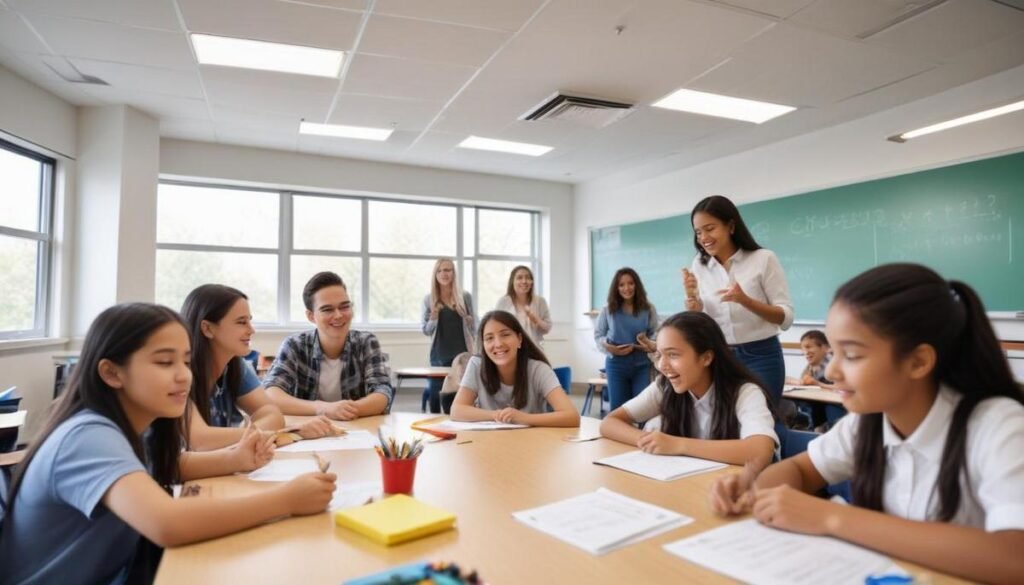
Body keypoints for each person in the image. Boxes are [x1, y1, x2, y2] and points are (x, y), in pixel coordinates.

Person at [709, 264, 1024, 585]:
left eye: (853, 355)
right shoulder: (867, 423)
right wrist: (756, 489)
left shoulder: (999, 426)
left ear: (918, 361)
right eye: (834, 352)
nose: (831, 372)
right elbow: (801, 471)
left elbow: (1015, 557)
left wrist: (833, 518)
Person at [0, 303, 336, 585]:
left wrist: (235, 459)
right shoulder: (87, 436)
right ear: (112, 373)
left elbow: (167, 465)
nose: (183, 375)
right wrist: (287, 499)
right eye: (164, 362)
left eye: (186, 362)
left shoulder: (126, 426)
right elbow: (167, 523)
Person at [600, 312, 777, 465]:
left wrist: (678, 445)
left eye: (673, 355)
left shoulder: (745, 393)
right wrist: (651, 442)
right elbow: (609, 423)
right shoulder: (665, 386)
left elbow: (760, 451)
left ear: (706, 357)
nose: (662, 365)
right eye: (659, 355)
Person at [180, 284, 335, 450]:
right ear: (208, 328)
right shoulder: (179, 374)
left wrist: (273, 432)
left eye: (249, 321)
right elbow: (201, 440)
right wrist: (277, 433)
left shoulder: (236, 365)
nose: (251, 330)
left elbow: (272, 414)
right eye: (241, 322)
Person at [682, 195, 794, 408]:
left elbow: (785, 317)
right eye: (698, 232)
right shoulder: (699, 265)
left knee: (761, 420)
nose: (703, 237)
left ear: (731, 226)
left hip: (761, 355)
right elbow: (701, 319)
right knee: (727, 422)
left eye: (710, 228)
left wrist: (745, 301)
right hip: (720, 355)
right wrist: (692, 301)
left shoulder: (763, 259)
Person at [264, 272, 393, 420]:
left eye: (344, 307)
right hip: (309, 432)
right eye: (327, 309)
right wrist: (323, 408)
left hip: (357, 431)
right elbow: (271, 394)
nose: (338, 315)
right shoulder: (294, 345)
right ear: (311, 316)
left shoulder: (366, 342)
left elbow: (382, 393)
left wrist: (342, 410)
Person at [450, 311, 579, 428]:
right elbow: (457, 410)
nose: (498, 344)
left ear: (519, 339)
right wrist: (497, 415)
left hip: (533, 443)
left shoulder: (538, 369)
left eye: (505, 335)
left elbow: (572, 417)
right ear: (483, 345)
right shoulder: (476, 365)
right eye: (489, 338)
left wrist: (524, 418)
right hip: (489, 442)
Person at [594, 267, 658, 411]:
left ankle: (642, 434)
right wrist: (608, 347)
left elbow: (655, 333)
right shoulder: (608, 309)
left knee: (643, 409)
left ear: (637, 285)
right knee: (618, 410)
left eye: (631, 283)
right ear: (616, 288)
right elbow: (599, 335)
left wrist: (647, 343)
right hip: (616, 365)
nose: (626, 288)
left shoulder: (648, 308)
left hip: (642, 364)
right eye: (621, 285)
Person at [421, 258, 476, 414]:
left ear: (453, 273)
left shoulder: (465, 297)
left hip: (462, 355)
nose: (443, 274)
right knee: (435, 394)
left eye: (447, 270)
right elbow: (426, 330)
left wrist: (466, 317)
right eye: (440, 271)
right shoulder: (428, 299)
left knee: (461, 395)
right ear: (435, 275)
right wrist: (433, 318)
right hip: (439, 355)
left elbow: (474, 327)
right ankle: (435, 425)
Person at [494, 265, 552, 345]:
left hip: (534, 348)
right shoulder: (503, 302)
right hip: (509, 348)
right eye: (519, 278)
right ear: (512, 282)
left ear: (532, 282)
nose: (524, 281)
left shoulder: (540, 301)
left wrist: (536, 319)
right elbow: (496, 327)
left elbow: (547, 329)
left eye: (528, 278)